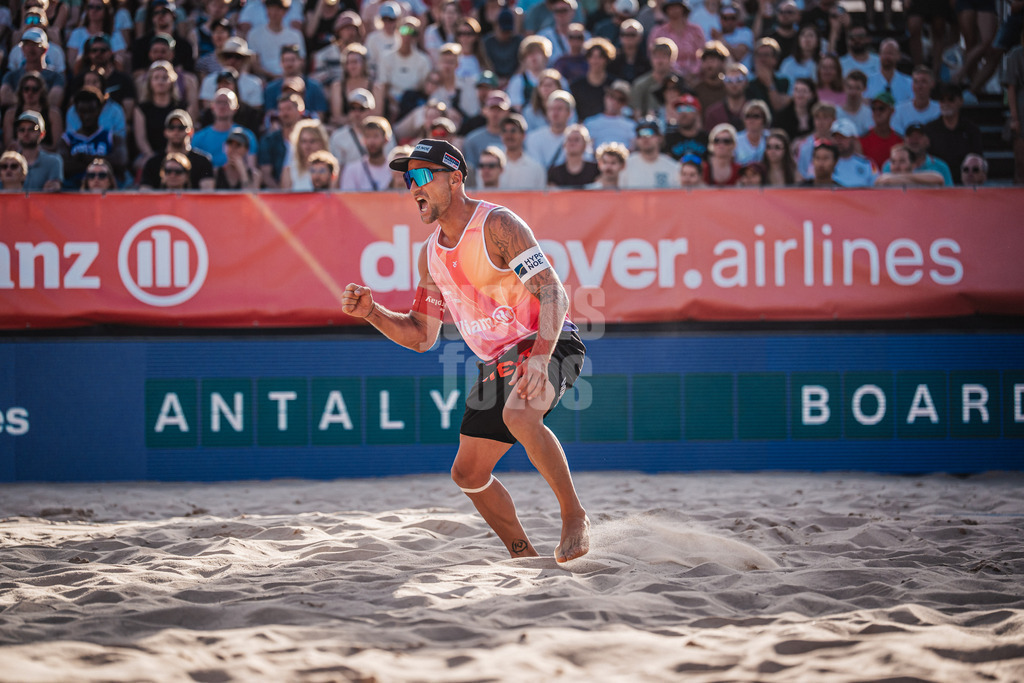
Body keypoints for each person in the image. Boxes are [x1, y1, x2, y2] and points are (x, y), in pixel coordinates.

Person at [343, 139, 591, 563]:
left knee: (519, 415)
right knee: (467, 473)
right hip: (498, 360)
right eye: (408, 180)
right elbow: (422, 336)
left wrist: (539, 357)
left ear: (455, 178)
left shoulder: (497, 225)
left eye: (422, 176)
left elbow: (553, 292)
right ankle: (523, 555)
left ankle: (574, 515)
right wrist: (372, 312)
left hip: (548, 340)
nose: (413, 187)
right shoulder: (430, 255)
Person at [59, 85, 127, 188]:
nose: (87, 116)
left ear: (100, 110)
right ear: (76, 111)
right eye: (82, 111)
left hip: (105, 191)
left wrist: (82, 158)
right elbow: (62, 166)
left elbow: (121, 162)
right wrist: (102, 162)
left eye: (91, 111)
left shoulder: (112, 137)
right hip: (74, 189)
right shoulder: (66, 139)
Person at [922, 83, 983, 185]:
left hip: (965, 183)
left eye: (951, 99)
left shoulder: (971, 130)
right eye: (942, 100)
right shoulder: (929, 129)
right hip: (936, 183)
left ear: (960, 101)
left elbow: (977, 159)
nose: (946, 103)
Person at [140, 109, 216, 190]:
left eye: (181, 127)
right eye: (171, 127)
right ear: (165, 132)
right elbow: (145, 193)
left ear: (190, 132)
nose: (176, 131)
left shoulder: (203, 162)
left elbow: (207, 194)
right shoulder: (152, 163)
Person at [192, 88, 259, 168]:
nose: (222, 106)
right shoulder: (198, 137)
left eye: (227, 102)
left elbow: (251, 168)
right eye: (218, 102)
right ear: (212, 107)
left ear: (235, 108)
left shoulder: (246, 136)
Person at [248, 0, 306, 81]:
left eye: (278, 9)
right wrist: (273, 76)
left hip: (292, 79)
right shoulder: (254, 34)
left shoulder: (295, 35)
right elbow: (255, 64)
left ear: (285, 12)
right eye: (270, 8)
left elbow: (301, 61)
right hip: (265, 80)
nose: (274, 13)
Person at [648, 0, 704, 77]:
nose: (674, 10)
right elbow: (652, 55)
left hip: (694, 76)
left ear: (683, 9)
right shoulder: (658, 32)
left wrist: (693, 73)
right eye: (671, 8)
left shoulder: (695, 31)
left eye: (677, 7)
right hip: (667, 76)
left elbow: (702, 54)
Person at [621, 118, 680, 188]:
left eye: (650, 133)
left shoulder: (673, 166)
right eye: (641, 134)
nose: (645, 138)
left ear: (659, 137)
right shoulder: (625, 166)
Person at [525, 89, 576, 171]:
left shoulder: (577, 139)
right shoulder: (533, 138)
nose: (555, 113)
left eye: (559, 109)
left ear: (569, 113)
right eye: (551, 109)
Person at [339, 116, 394, 191]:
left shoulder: (395, 170)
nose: (371, 141)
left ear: (386, 139)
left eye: (376, 136)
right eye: (367, 136)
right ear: (363, 140)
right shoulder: (351, 170)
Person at [13, 110, 63, 191]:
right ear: (17, 133)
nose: (26, 133)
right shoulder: (7, 163)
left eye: (32, 129)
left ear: (42, 134)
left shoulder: (54, 162)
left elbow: (52, 193)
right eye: (21, 129)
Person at [462, 90, 510, 173]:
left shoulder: (514, 139)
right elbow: (471, 171)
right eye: (492, 109)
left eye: (499, 110)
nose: (495, 114)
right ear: (484, 110)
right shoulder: (472, 140)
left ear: (507, 112)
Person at [631, 37, 678, 120]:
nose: (660, 61)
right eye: (656, 56)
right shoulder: (640, 85)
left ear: (672, 59)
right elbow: (636, 115)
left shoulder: (679, 83)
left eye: (664, 56)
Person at [570, 37, 617, 120]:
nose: (595, 61)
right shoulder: (576, 85)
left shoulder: (614, 85)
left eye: (600, 57)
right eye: (592, 56)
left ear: (606, 59)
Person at [498, 113, 547, 190]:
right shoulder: (491, 166)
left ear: (523, 135)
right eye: (504, 131)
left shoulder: (536, 168)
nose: (508, 135)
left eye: (513, 131)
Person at [582, 79, 635, 149]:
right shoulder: (589, 123)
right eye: (612, 96)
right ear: (605, 97)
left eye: (621, 99)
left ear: (625, 104)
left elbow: (633, 148)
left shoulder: (632, 126)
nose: (615, 102)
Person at [859, 91, 903, 170]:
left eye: (881, 108)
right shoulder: (862, 139)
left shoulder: (900, 141)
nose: (877, 112)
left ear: (892, 110)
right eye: (874, 109)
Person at [891, 66, 940, 136]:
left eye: (924, 81)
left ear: (932, 84)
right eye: (916, 82)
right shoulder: (899, 110)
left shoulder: (939, 110)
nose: (919, 86)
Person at [282, 118, 329, 189]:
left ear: (322, 142)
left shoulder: (331, 168)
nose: (307, 146)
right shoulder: (289, 170)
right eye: (303, 141)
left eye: (312, 141)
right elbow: (284, 195)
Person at [831, 118, 878, 187]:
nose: (838, 141)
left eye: (843, 137)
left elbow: (878, 187)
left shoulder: (867, 164)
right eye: (835, 137)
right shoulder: (825, 162)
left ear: (853, 139)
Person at [703, 62, 749, 132]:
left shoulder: (755, 111)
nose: (734, 84)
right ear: (724, 83)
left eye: (739, 80)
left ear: (746, 82)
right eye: (729, 80)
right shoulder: (714, 113)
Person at [873, 143, 945, 186]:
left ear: (913, 165)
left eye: (902, 161)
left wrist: (903, 176)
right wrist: (917, 181)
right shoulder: (884, 178)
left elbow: (939, 178)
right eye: (893, 161)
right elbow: (883, 180)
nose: (897, 166)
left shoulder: (918, 177)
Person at [662, 93, 708, 160]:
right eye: (679, 109)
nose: (683, 113)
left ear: (697, 113)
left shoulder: (707, 139)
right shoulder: (668, 139)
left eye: (688, 109)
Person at [1004, 29, 1024, 185]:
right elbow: (1011, 87)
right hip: (1021, 107)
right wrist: (1014, 117)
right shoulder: (1016, 54)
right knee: (1020, 163)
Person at [866, 39, 913, 104]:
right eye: (884, 53)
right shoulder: (868, 82)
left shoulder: (909, 83)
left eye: (890, 53)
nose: (887, 57)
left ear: (898, 56)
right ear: (879, 55)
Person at [774, 76, 817, 142]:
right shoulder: (781, 116)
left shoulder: (818, 115)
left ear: (812, 95)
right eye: (796, 90)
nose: (800, 94)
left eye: (804, 91)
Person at [836, 70, 872, 136]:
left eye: (857, 88)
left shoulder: (870, 114)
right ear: (844, 87)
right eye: (850, 88)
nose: (853, 92)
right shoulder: (836, 113)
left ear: (864, 89)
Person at [704, 122, 740, 186]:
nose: (721, 144)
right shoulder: (703, 169)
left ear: (733, 144)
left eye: (726, 141)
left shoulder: (739, 170)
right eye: (716, 140)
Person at [735, 99, 770, 164]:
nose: (751, 120)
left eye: (756, 116)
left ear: (764, 119)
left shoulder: (770, 138)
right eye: (748, 116)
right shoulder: (735, 140)